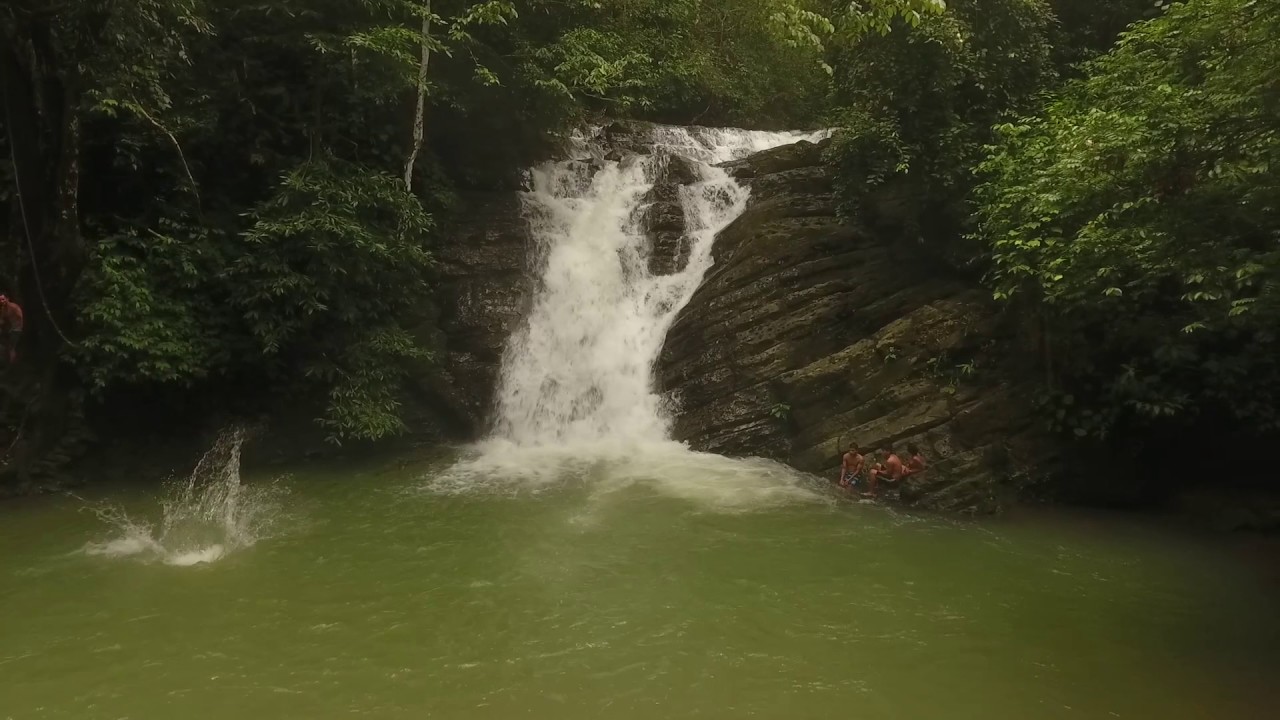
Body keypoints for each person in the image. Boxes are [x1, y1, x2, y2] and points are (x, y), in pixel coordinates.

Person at [0, 295, 22, 365]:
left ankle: (12, 364)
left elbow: (19, 318)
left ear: (7, 299)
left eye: (3, 299)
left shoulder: (14, 307)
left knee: (11, 347)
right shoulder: (3, 308)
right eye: (0, 299)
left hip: (16, 329)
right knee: (5, 346)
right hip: (9, 329)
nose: (1, 301)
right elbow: (1, 320)